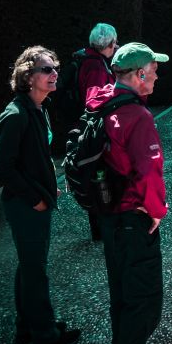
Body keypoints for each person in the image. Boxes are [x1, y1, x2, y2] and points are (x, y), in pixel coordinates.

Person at [0, 47, 82, 344]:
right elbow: (2, 167)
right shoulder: (17, 115)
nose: (54, 73)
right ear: (28, 77)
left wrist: (47, 188)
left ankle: (25, 327)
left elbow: (34, 158)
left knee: (29, 267)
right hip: (24, 206)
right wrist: (35, 199)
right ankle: (43, 333)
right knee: (35, 270)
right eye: (47, 69)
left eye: (54, 68)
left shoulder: (38, 107)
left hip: (33, 201)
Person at [86, 42, 169, 344]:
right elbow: (150, 171)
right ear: (139, 74)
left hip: (109, 217)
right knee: (145, 303)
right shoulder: (137, 115)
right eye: (154, 70)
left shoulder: (101, 105)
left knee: (121, 295)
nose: (157, 76)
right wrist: (157, 212)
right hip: (134, 221)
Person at [75, 23, 119, 241]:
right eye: (114, 42)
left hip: (88, 126)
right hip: (93, 130)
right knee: (98, 177)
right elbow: (94, 100)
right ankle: (101, 228)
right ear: (108, 44)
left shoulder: (89, 59)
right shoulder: (95, 65)